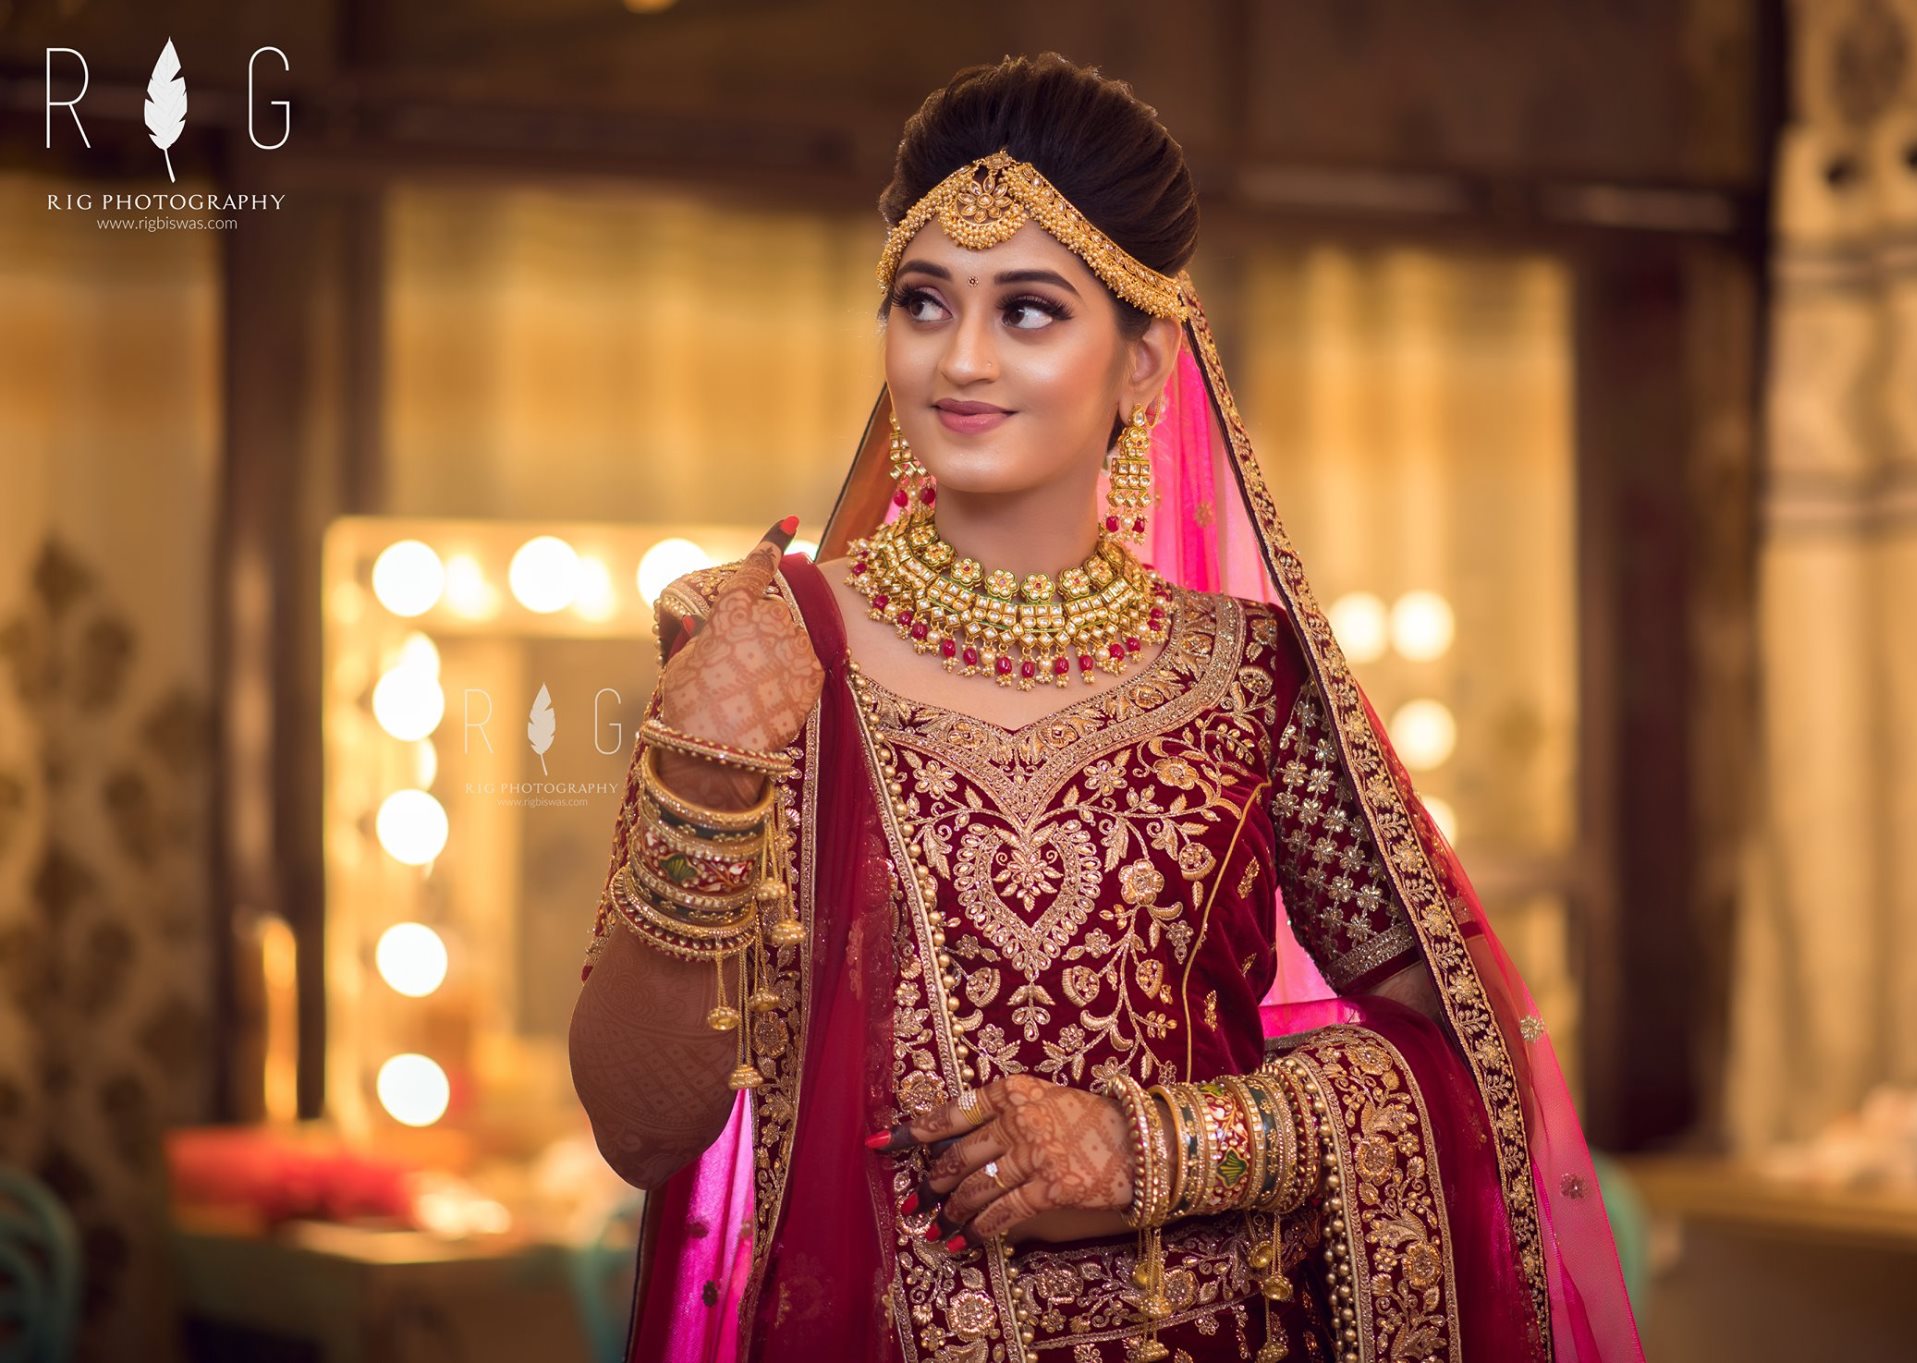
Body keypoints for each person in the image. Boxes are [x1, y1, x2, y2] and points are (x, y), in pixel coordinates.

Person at [569, 51, 1645, 1363]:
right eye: (923, 302)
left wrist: (1155, 1149)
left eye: (1028, 311)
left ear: (1142, 366)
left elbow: (1470, 1067)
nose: (961, 360)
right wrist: (708, 763)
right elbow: (639, 1128)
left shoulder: (1253, 680)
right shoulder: (764, 648)